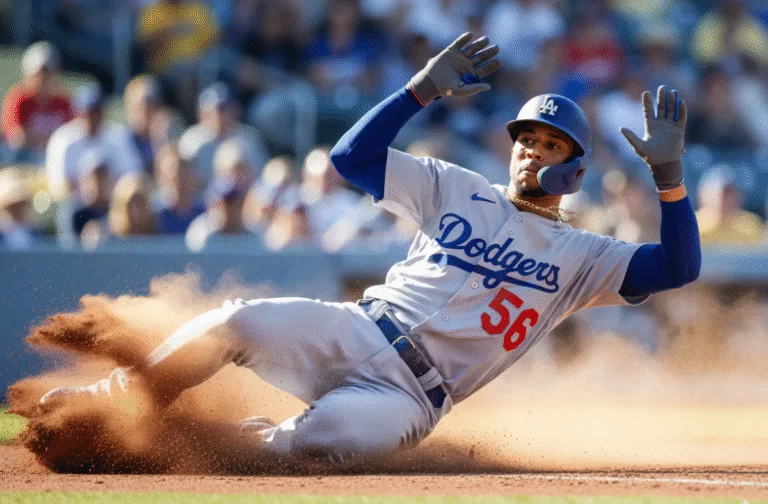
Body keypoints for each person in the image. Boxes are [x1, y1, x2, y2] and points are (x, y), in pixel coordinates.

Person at [38, 33, 701, 465]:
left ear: (577, 168)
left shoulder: (584, 255)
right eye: (527, 137)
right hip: (358, 329)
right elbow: (352, 158)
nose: (533, 149)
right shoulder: (456, 187)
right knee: (233, 321)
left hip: (412, 398)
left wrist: (670, 182)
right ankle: (114, 397)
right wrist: (420, 89)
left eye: (551, 143)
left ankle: (243, 444)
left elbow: (678, 267)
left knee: (332, 440)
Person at [1, 42, 73, 164]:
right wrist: (54, 142)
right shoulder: (19, 99)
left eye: (48, 73)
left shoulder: (63, 102)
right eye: (39, 74)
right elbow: (17, 138)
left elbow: (74, 134)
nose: (44, 79)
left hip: (54, 158)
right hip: (23, 160)